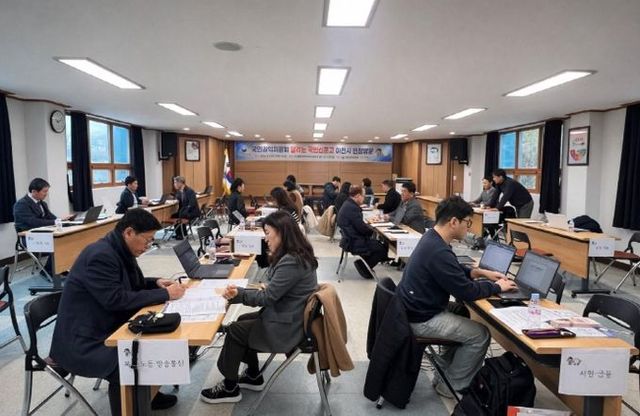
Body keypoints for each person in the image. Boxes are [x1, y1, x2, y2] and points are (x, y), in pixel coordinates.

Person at [50, 209, 187, 415]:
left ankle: (146, 394)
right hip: (84, 341)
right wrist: (165, 294)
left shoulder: (119, 249)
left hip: (103, 326)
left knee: (156, 341)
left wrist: (156, 283)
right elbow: (116, 299)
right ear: (129, 232)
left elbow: (130, 285)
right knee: (129, 361)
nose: (149, 245)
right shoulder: (100, 256)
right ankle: (130, 407)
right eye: (147, 240)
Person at [396, 196, 516, 397]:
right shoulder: (439, 250)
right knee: (480, 335)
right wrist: (497, 286)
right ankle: (451, 386)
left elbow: (450, 270)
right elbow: (466, 291)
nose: (469, 228)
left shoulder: (432, 238)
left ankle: (444, 374)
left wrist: (477, 272)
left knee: (461, 311)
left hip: (414, 308)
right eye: (467, 223)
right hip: (422, 318)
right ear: (453, 221)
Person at [200, 211, 318, 404]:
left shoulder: (292, 261)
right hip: (291, 315)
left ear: (281, 232)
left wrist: (237, 294)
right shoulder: (295, 254)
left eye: (268, 233)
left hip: (289, 327)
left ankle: (230, 388)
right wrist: (244, 292)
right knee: (242, 320)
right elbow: (274, 288)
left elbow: (268, 298)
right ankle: (253, 375)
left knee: (235, 330)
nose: (266, 239)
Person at [13, 178, 73, 275]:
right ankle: (48, 272)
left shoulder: (42, 203)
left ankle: (59, 268)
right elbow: (33, 222)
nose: (46, 194)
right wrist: (55, 221)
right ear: (34, 191)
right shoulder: (21, 205)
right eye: (44, 191)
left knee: (66, 241)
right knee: (59, 244)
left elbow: (51, 217)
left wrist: (62, 220)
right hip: (28, 237)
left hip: (42, 234)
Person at [337, 185, 388, 276]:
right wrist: (373, 230)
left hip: (348, 240)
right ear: (357, 196)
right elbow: (362, 229)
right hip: (354, 242)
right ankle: (364, 268)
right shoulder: (353, 208)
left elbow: (358, 225)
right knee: (382, 249)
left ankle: (363, 264)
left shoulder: (348, 204)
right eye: (363, 196)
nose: (364, 199)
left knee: (377, 244)